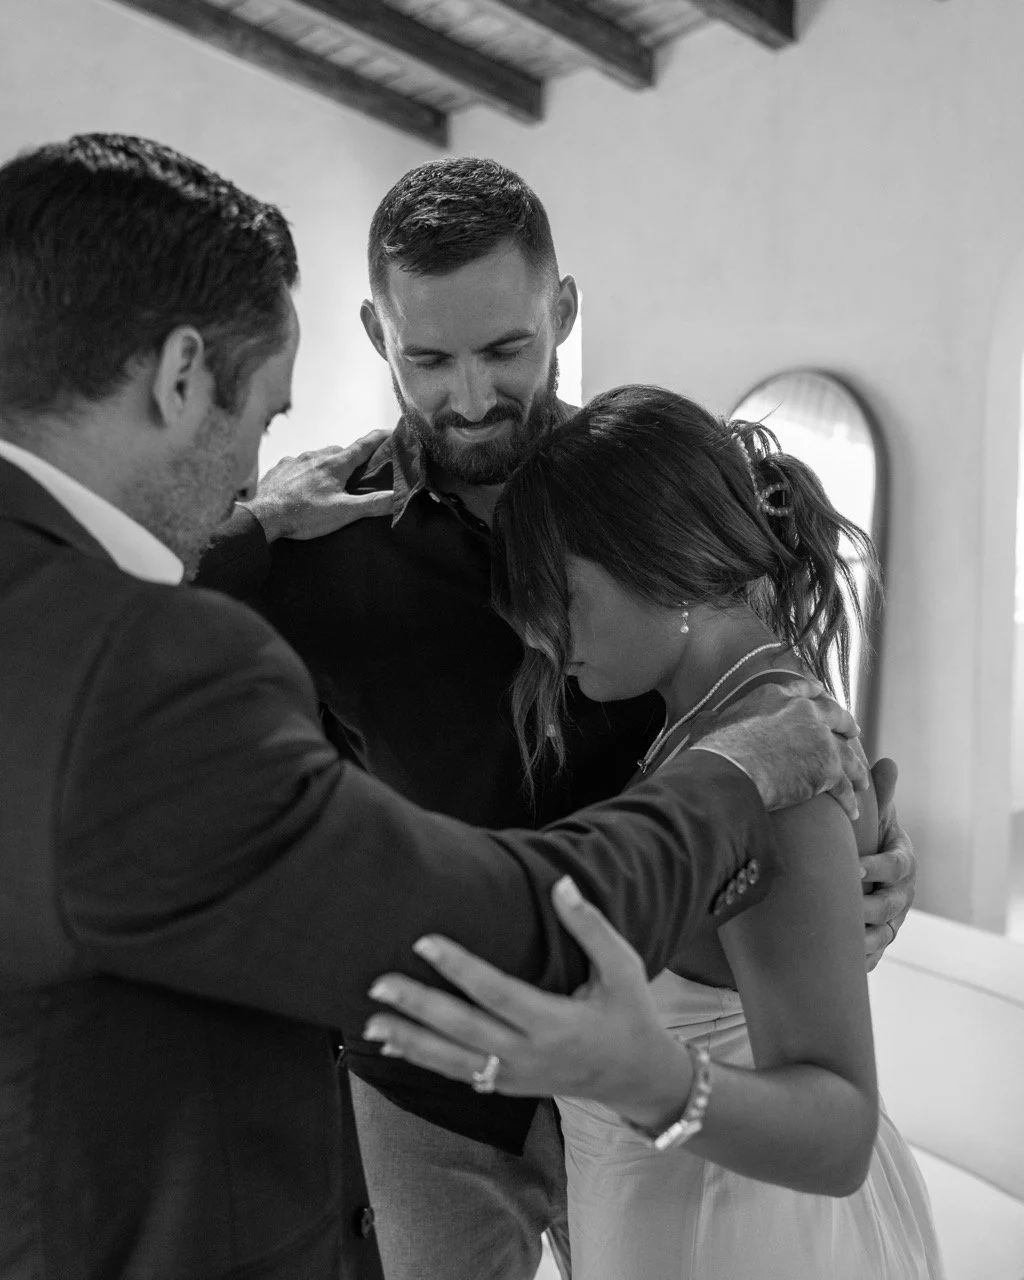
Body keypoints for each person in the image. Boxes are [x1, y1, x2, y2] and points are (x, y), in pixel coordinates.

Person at [0, 135, 870, 1280]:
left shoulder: (654, 485)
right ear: (377, 337)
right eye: (428, 358)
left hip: (672, 1025)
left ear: (560, 308)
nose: (471, 394)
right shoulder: (287, 543)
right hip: (432, 1074)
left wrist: (860, 848)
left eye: (506, 347)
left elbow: (777, 705)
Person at [359, 386, 944, 1279]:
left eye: (561, 596)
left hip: (738, 1236)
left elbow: (838, 1135)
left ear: (655, 560)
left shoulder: (776, 762)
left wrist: (648, 1080)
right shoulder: (705, 722)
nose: (544, 640)